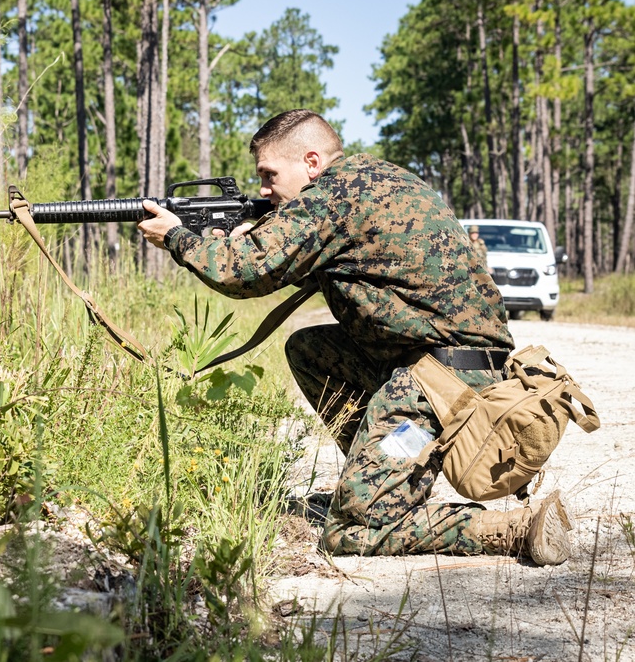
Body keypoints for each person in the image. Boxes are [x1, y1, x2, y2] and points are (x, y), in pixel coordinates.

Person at [137, 109, 573, 565]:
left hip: (437, 382)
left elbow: (243, 272)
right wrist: (256, 233)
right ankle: (382, 477)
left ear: (311, 162)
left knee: (348, 532)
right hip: (451, 367)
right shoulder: (373, 180)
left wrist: (177, 237)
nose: (264, 190)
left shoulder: (332, 194)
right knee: (309, 350)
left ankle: (511, 530)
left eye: (269, 175)